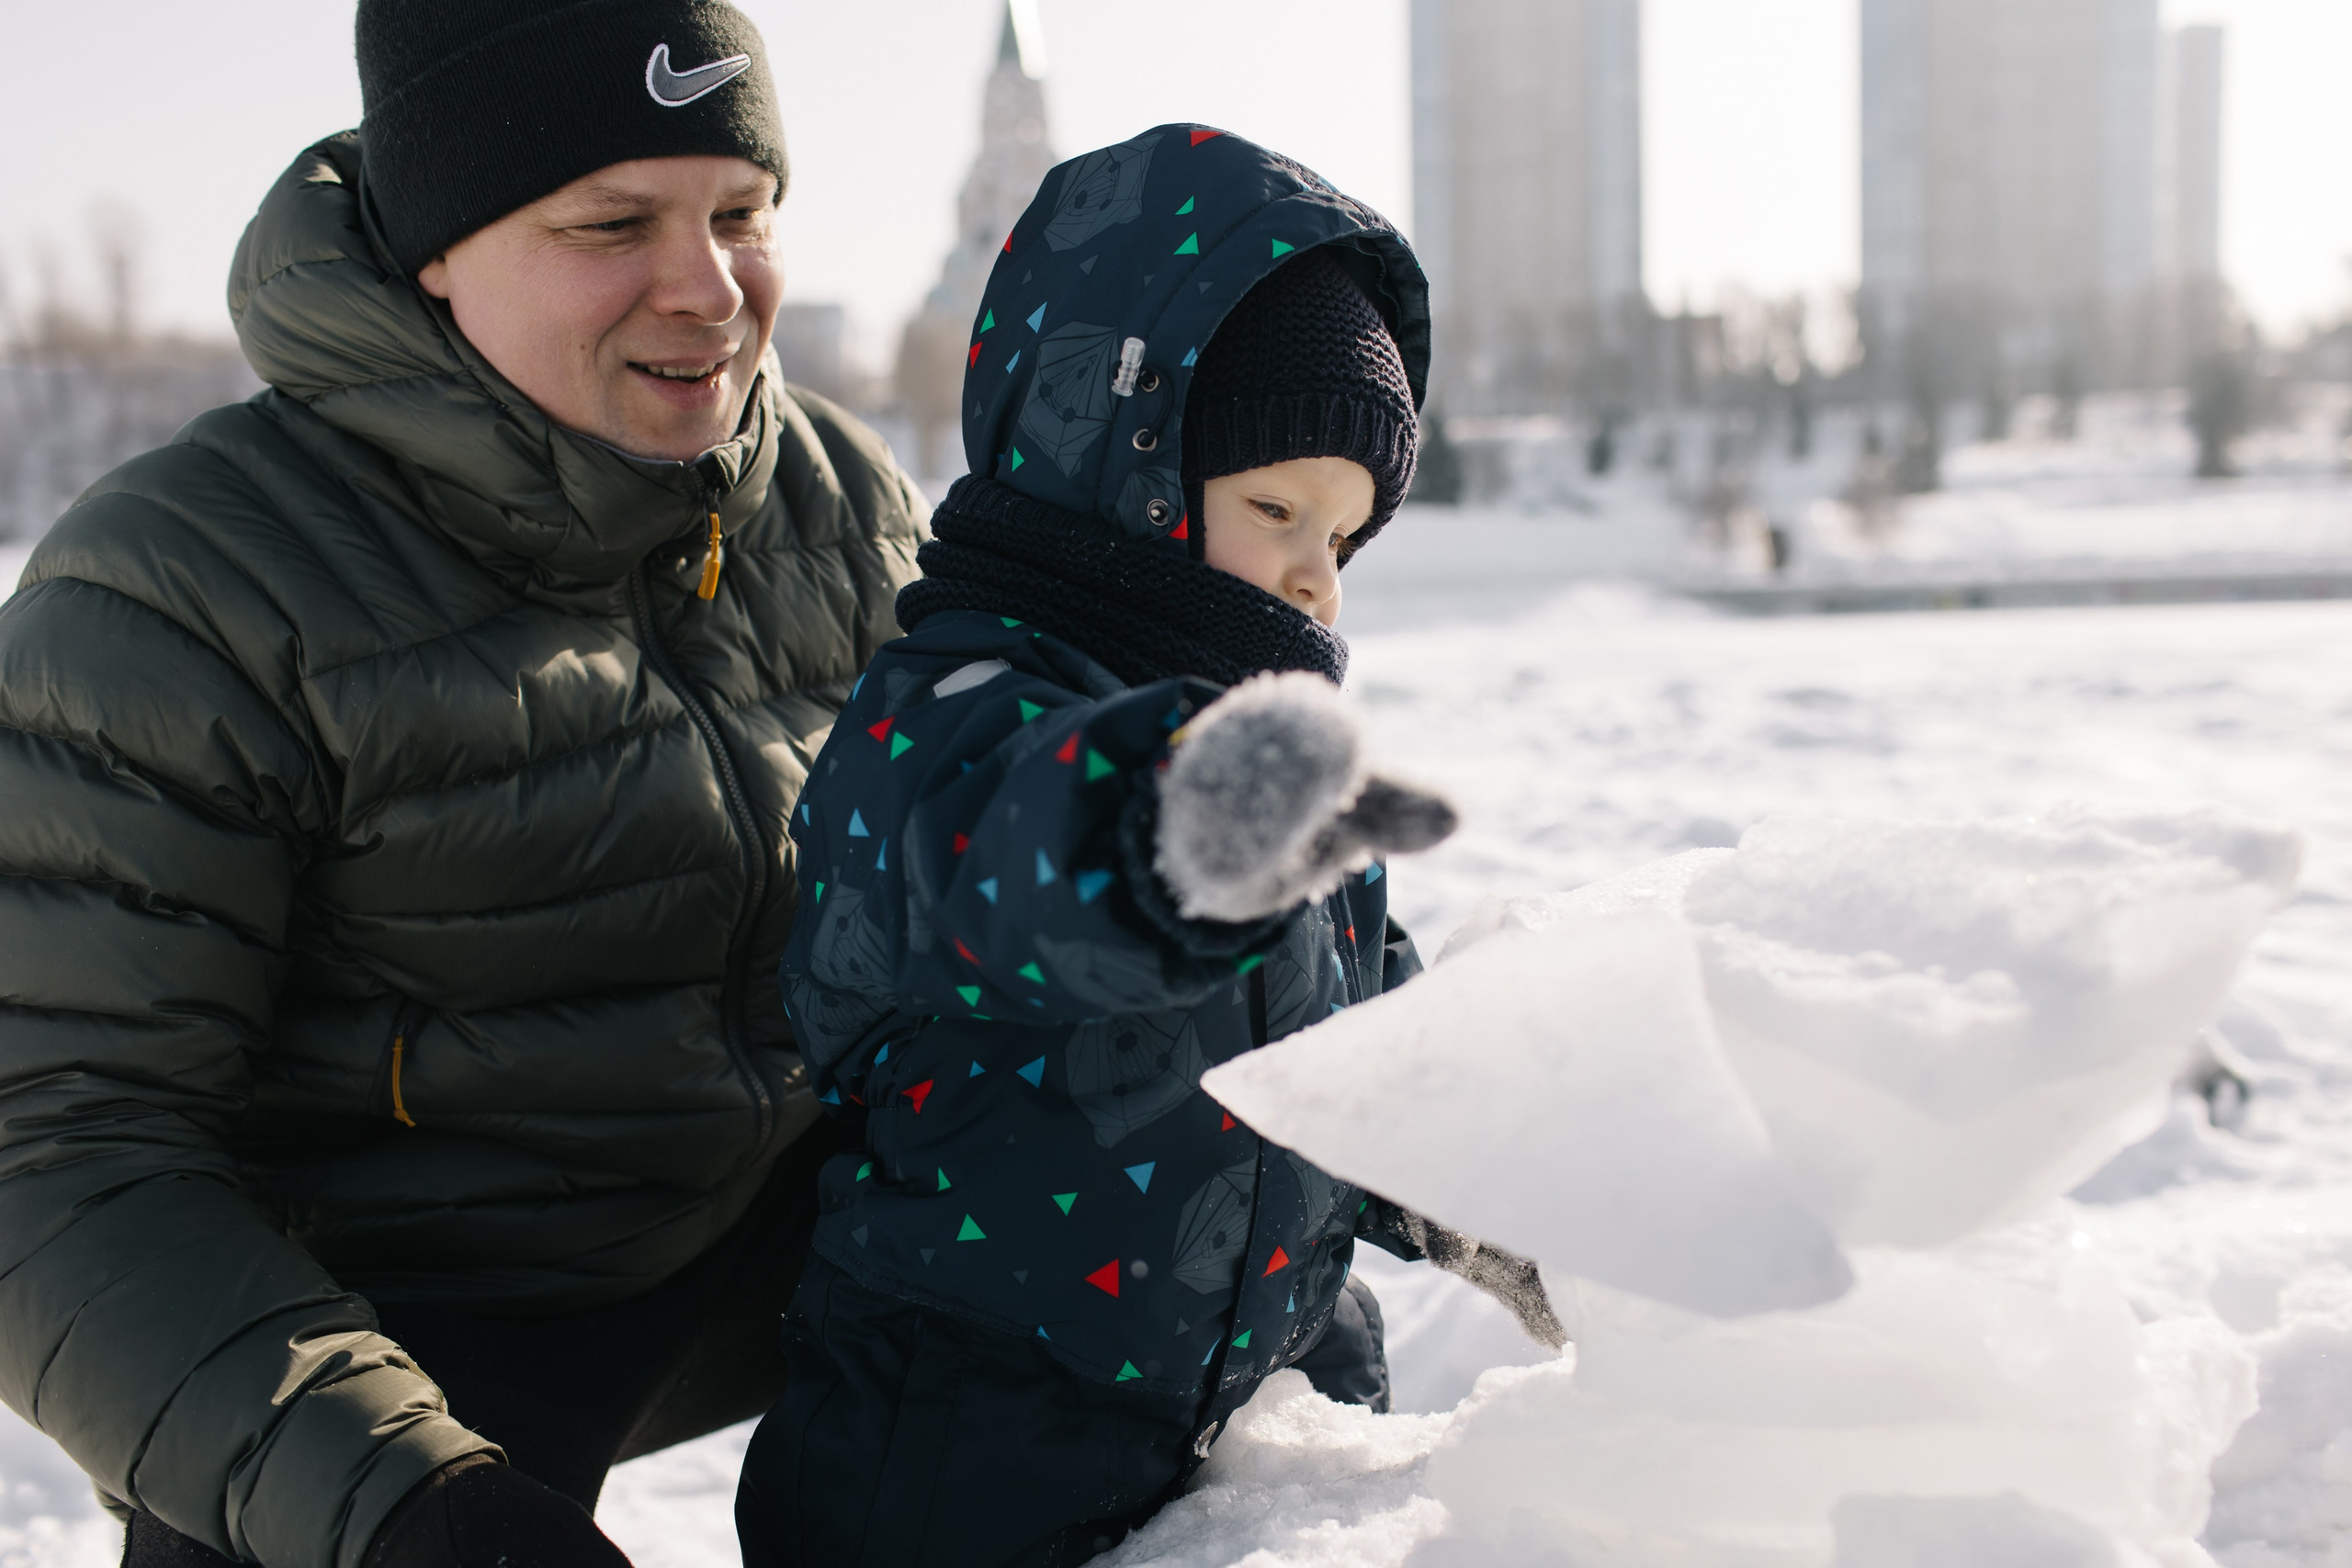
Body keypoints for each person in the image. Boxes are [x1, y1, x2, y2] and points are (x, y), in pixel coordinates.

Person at [0, 3, 923, 1564]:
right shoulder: (183, 587)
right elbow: (56, 1150)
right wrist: (413, 1506)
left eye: (742, 212)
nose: (707, 289)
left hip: (782, 1221)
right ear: (437, 245)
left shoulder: (834, 498)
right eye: (611, 222)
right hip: (396, 1311)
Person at [735, 126, 1557, 1568]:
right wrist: (1178, 819)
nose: (1316, 573)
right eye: (1277, 511)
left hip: (1253, 1420)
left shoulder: (1277, 766)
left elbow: (1354, 1045)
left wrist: (1485, 1177)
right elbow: (1015, 865)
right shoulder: (952, 721)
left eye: (1348, 537)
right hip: (964, 1456)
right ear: (1131, 473)